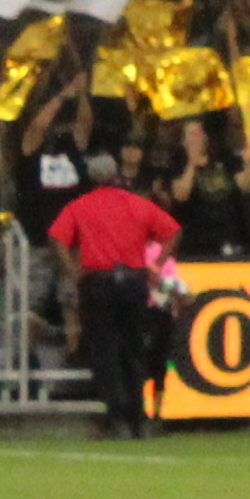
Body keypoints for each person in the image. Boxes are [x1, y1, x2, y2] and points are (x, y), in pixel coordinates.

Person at [49, 152, 181, 438]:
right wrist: (155, 265)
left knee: (105, 349)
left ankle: (117, 415)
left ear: (92, 178)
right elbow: (172, 231)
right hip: (134, 281)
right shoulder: (136, 204)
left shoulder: (81, 206)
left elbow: (56, 237)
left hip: (99, 281)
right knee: (134, 349)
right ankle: (139, 417)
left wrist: (73, 270)